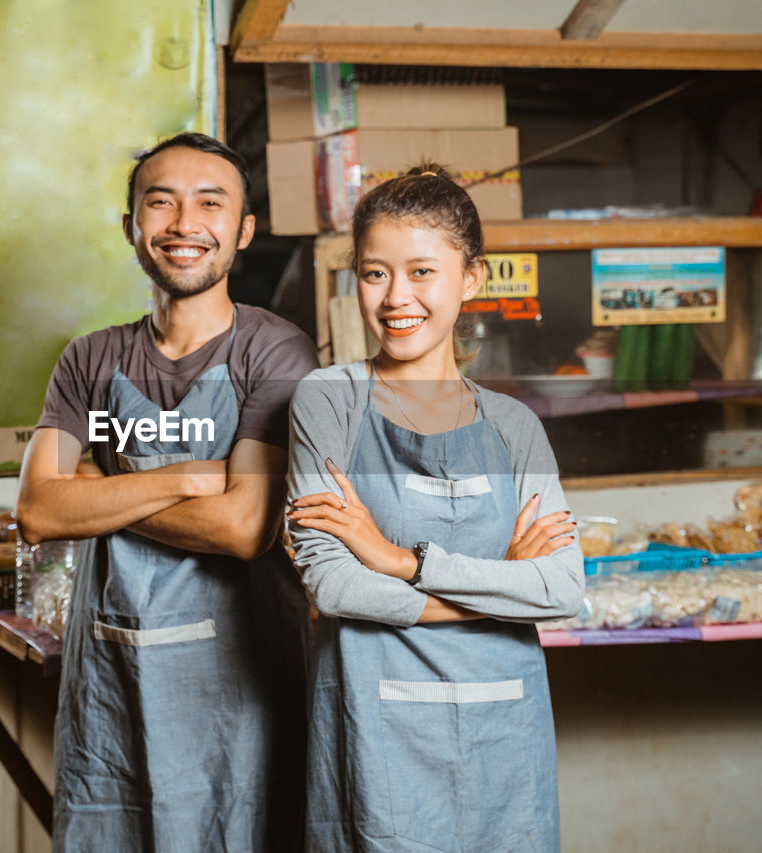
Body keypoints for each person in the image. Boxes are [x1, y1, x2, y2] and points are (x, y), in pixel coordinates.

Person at [17, 132, 318, 852]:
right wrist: (185, 476)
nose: (185, 224)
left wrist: (105, 484)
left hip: (235, 686)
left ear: (242, 230)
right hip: (108, 678)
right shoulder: (92, 362)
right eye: (162, 202)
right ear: (131, 227)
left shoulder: (271, 353)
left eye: (209, 204)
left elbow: (245, 525)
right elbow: (38, 510)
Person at [285, 164, 585, 852]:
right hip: (377, 735)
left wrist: (402, 560)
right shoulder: (329, 401)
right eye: (374, 273)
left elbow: (564, 588)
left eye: (422, 271)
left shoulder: (514, 426)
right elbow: (333, 583)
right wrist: (504, 584)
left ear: (470, 278)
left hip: (505, 741)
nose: (396, 298)